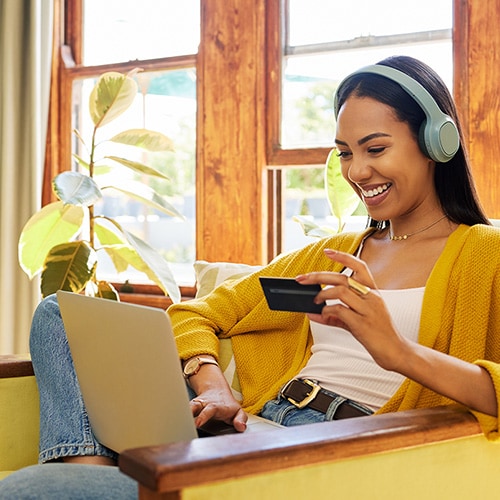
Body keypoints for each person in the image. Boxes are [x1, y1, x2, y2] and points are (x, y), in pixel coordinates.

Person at [3, 55, 499, 498]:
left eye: (375, 148)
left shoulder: (485, 254)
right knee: (58, 313)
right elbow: (198, 312)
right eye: (346, 152)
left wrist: (398, 351)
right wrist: (213, 384)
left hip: (332, 452)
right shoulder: (335, 255)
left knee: (29, 489)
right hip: (254, 429)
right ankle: (89, 469)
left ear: (438, 141)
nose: (358, 171)